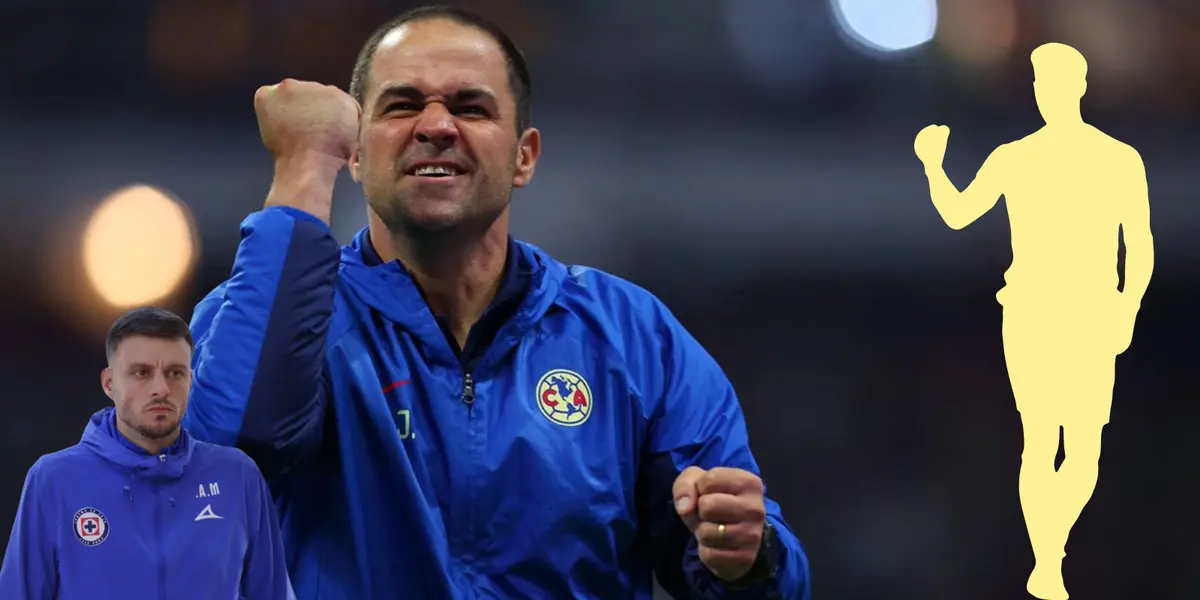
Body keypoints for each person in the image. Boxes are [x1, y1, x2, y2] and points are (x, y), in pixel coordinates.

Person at [182, 5, 810, 599]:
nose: (435, 126)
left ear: (524, 157)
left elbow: (743, 566)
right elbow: (222, 465)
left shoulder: (631, 337)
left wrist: (747, 557)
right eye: (401, 106)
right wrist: (301, 170)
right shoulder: (278, 314)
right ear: (355, 155)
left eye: (470, 107)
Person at [914, 42, 1153, 600]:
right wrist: (932, 165)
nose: (1050, 95)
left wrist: (1125, 307)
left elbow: (1137, 247)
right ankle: (1047, 561)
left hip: (1092, 312)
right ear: (1038, 92)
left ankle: (1054, 547)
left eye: (1060, 85)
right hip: (1031, 312)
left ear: (1080, 89)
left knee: (1086, 445)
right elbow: (956, 214)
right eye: (1042, 86)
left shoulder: (1119, 159)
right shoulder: (1014, 157)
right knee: (1042, 439)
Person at [0, 307, 295, 600]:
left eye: (175, 373)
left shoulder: (237, 476)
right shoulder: (54, 479)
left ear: (190, 381)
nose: (160, 388)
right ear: (109, 382)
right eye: (141, 373)